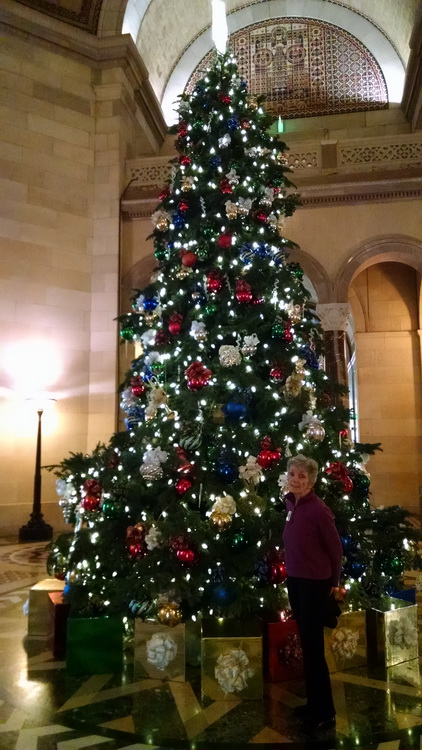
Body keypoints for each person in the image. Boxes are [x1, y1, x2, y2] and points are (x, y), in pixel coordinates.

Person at [282, 454, 343, 731]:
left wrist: (334, 582)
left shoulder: (319, 510)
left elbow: (335, 549)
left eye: (302, 476)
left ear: (312, 481)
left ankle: (325, 712)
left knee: (315, 650)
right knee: (308, 646)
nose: (295, 479)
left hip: (314, 585)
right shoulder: (291, 503)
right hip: (295, 581)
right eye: (292, 473)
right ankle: (313, 704)